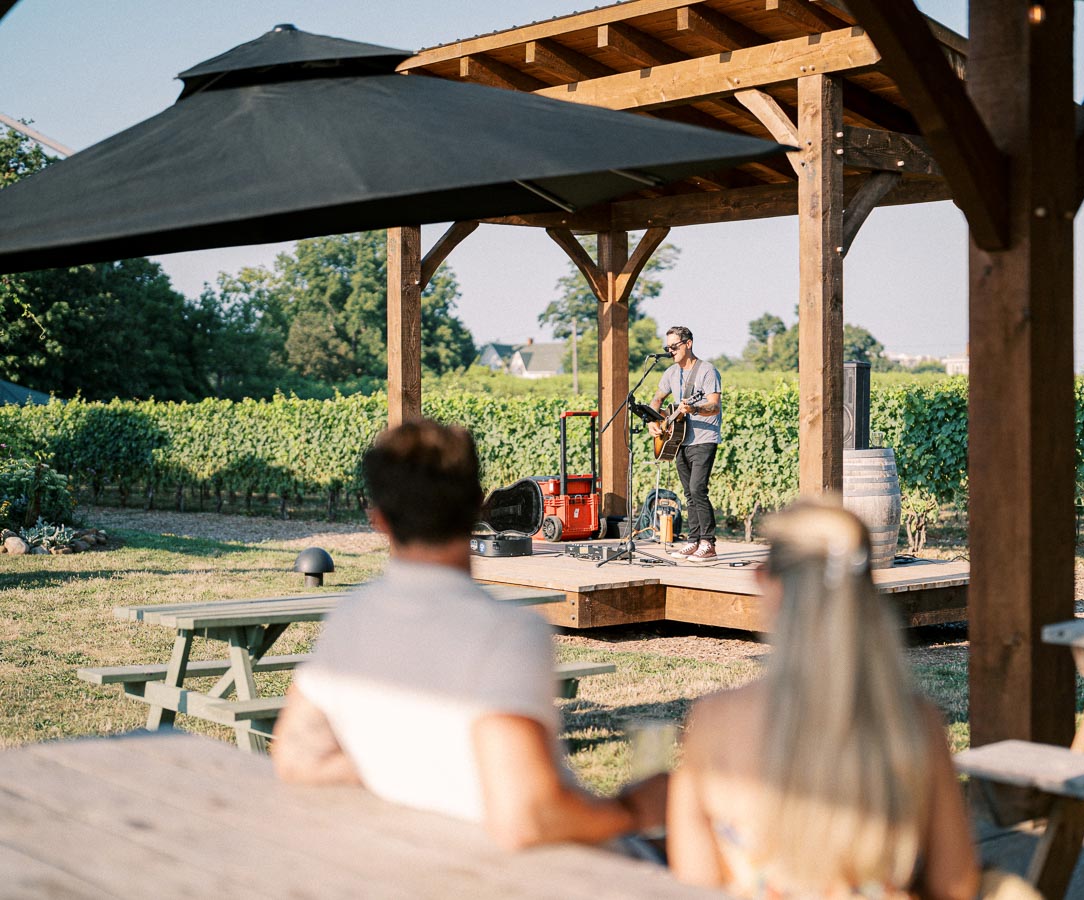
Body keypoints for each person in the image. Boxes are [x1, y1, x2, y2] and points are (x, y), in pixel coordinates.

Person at [272, 420, 665, 848]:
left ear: (379, 519)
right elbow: (530, 816)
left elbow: (296, 756)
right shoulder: (508, 634)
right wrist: (637, 808)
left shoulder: (350, 615)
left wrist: (400, 769)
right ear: (478, 506)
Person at [666, 500, 981, 899]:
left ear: (765, 581)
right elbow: (957, 884)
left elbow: (695, 883)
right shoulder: (916, 722)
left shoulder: (714, 722)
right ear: (867, 588)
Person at [647, 325, 722, 562]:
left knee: (698, 489)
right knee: (689, 493)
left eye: (674, 346)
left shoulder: (707, 371)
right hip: (678, 440)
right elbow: (657, 399)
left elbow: (714, 405)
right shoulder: (670, 373)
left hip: (704, 439)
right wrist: (653, 421)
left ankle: (708, 543)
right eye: (667, 347)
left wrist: (695, 408)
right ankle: (693, 540)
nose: (670, 351)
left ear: (688, 343)